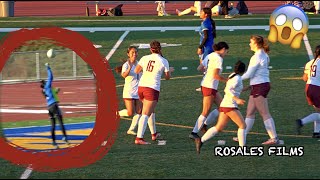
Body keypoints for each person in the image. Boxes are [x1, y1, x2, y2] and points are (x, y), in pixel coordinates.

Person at [235, 35, 280, 145]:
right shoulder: (263, 54)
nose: (249, 44)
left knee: (264, 112)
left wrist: (235, 78)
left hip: (260, 86)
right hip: (259, 86)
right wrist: (250, 86)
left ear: (256, 44)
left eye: (251, 42)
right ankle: (242, 135)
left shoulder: (257, 56)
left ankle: (274, 138)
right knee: (250, 112)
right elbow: (258, 74)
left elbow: (250, 74)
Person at [195, 61, 247, 154]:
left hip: (224, 105)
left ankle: (201, 140)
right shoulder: (237, 78)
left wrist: (248, 88)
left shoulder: (233, 75)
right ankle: (242, 149)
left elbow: (236, 89)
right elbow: (227, 90)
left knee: (218, 128)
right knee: (242, 126)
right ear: (244, 70)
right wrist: (237, 99)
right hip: (230, 105)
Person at [134, 40, 174, 145]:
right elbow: (167, 78)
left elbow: (137, 70)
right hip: (152, 88)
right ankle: (139, 138)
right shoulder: (163, 61)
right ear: (160, 49)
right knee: (145, 113)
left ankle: (154, 133)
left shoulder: (144, 58)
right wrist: (169, 71)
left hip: (141, 87)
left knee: (150, 111)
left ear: (150, 49)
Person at [189, 42, 229, 140]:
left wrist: (207, 71)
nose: (226, 54)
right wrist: (228, 80)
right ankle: (194, 132)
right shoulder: (219, 59)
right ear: (223, 49)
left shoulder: (210, 55)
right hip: (209, 86)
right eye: (226, 51)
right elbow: (216, 75)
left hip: (208, 85)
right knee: (205, 111)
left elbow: (199, 68)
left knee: (223, 107)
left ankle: (204, 125)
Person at [114, 46, 143, 136]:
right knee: (130, 112)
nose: (134, 54)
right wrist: (129, 68)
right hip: (129, 92)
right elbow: (124, 75)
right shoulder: (126, 64)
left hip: (138, 91)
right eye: (132, 53)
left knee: (139, 111)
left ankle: (131, 129)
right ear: (128, 54)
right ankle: (116, 113)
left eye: (136, 52)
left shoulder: (139, 63)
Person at [41, 63, 69, 149]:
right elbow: (51, 77)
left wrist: (56, 92)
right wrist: (48, 68)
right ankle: (64, 138)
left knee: (53, 125)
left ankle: (54, 142)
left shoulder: (44, 90)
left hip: (49, 108)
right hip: (54, 106)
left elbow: (51, 94)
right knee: (60, 122)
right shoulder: (47, 86)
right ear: (45, 83)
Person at [296, 45, 320, 138]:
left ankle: (317, 132)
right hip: (316, 88)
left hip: (309, 88)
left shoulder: (310, 63)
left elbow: (304, 78)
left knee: (318, 111)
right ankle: (301, 122)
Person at [195, 7, 216, 92]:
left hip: (206, 47)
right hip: (209, 46)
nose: (200, 13)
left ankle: (206, 85)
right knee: (205, 66)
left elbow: (206, 37)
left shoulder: (205, 23)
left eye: (201, 12)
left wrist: (200, 47)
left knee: (204, 66)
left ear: (206, 14)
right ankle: (205, 84)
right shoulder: (209, 22)